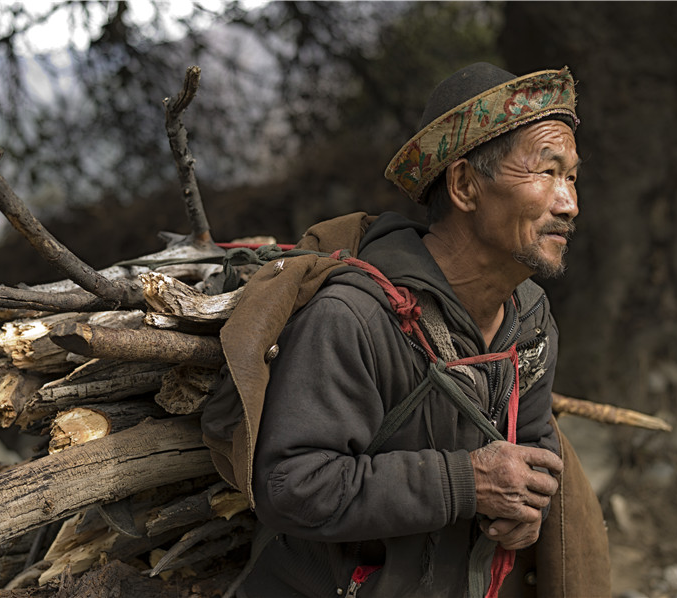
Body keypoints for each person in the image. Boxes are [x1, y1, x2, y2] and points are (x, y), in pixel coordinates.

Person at [203, 62, 611, 597]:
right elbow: (291, 486)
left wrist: (527, 509)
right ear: (465, 185)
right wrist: (469, 482)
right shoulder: (355, 319)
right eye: (546, 171)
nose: (569, 203)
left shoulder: (529, 320)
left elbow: (533, 446)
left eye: (572, 176)